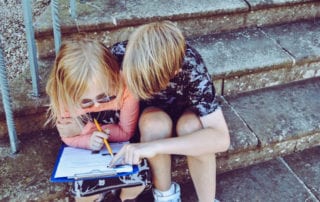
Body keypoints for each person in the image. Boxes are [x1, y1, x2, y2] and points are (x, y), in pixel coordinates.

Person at [110, 21, 230, 202]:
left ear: (175, 70)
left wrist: (155, 146)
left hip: (185, 113)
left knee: (192, 128)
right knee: (154, 124)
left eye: (150, 84)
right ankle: (165, 195)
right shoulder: (119, 55)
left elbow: (221, 139)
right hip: (148, 118)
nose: (143, 87)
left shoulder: (190, 65)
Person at [46, 39, 147, 202]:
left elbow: (126, 133)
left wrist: (87, 129)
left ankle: (125, 198)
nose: (98, 105)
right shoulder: (63, 99)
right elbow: (68, 137)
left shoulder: (126, 89)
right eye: (86, 102)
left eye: (105, 97)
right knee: (85, 193)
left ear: (114, 76)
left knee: (136, 182)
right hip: (86, 150)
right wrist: (87, 139)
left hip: (122, 145)